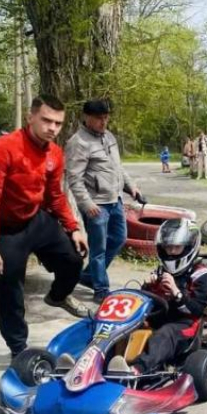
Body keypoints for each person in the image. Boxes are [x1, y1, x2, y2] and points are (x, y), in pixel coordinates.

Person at [0, 94, 90, 358]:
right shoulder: (1, 149)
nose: (52, 128)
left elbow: (54, 196)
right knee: (9, 289)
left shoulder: (55, 153)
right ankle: (19, 350)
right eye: (46, 120)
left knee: (74, 260)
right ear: (31, 118)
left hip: (35, 219)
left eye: (58, 123)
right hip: (5, 228)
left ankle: (58, 296)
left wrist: (73, 228)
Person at [108, 218, 207, 375]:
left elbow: (197, 310)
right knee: (121, 327)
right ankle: (101, 361)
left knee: (163, 334)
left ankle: (137, 369)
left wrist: (176, 292)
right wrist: (148, 286)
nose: (170, 252)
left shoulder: (201, 275)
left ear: (189, 246)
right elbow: (150, 300)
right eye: (167, 247)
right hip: (159, 317)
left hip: (185, 324)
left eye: (176, 247)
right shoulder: (160, 272)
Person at [65, 99, 143, 303]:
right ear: (87, 117)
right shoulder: (78, 142)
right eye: (99, 118)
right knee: (98, 249)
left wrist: (131, 186)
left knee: (119, 238)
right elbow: (74, 178)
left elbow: (118, 167)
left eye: (106, 118)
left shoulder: (109, 137)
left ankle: (89, 276)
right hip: (96, 204)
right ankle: (101, 289)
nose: (103, 122)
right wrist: (87, 204)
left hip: (115, 199)